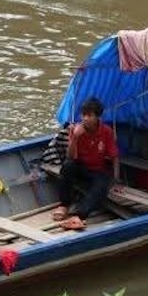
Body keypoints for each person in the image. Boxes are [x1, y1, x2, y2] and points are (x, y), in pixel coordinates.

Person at [51, 97, 120, 229]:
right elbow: (70, 157)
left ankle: (79, 215)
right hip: (81, 167)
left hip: (97, 170)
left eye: (89, 115)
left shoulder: (106, 131)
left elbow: (114, 156)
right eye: (83, 115)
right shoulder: (76, 130)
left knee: (102, 185)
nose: (85, 119)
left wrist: (116, 179)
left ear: (97, 117)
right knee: (67, 166)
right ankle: (64, 204)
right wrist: (75, 137)